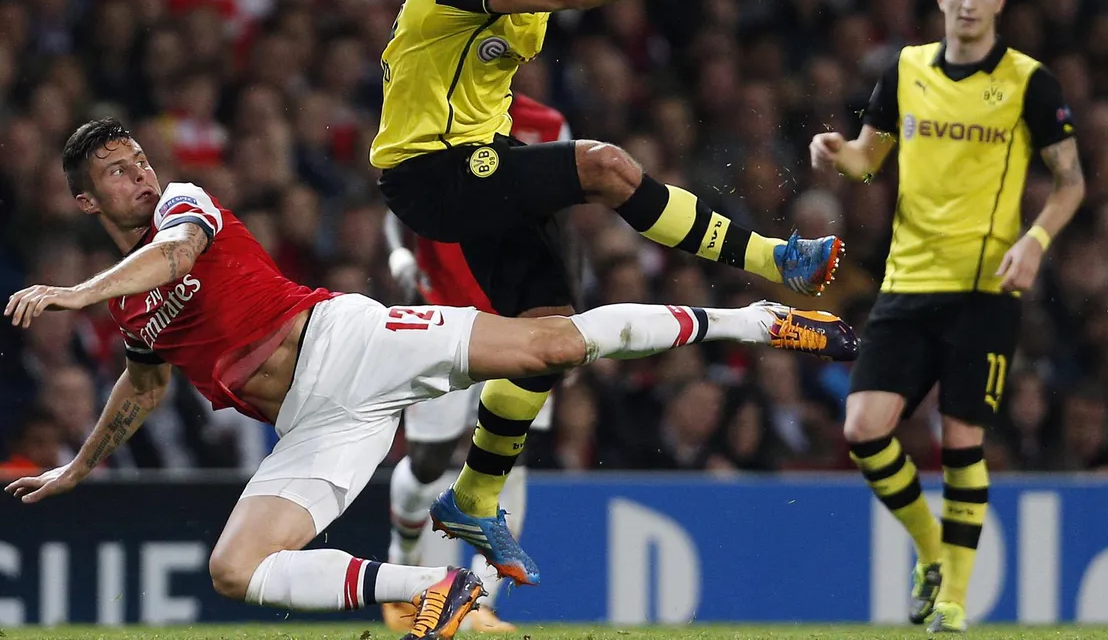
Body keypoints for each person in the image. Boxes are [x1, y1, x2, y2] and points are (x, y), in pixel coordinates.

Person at [5, 119, 857, 640]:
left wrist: (72, 293)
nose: (140, 174)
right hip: (315, 425)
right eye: (117, 172)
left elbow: (178, 253)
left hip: (347, 341)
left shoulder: (178, 208)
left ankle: (754, 320)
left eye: (138, 158)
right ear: (86, 202)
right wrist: (79, 468)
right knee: (236, 571)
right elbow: (143, 387)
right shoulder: (128, 309)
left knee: (548, 348)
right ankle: (434, 590)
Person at [373, 0, 844, 587]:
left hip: (476, 165)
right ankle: (776, 260)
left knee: (548, 340)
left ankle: (473, 499)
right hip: (429, 172)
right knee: (605, 166)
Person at [808, 0, 1085, 634]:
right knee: (863, 430)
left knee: (961, 439)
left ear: (999, 1)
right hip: (906, 283)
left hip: (983, 288)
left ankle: (954, 603)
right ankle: (931, 551)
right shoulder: (903, 70)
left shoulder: (1028, 82)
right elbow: (868, 162)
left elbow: (1071, 181)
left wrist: (1035, 241)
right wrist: (836, 154)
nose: (966, 2)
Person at [381, 93, 573, 633]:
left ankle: (478, 601)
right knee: (429, 459)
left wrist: (568, 317)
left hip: (520, 317)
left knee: (511, 449)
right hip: (444, 316)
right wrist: (399, 256)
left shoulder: (548, 122)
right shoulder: (437, 107)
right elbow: (395, 203)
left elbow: (560, 225)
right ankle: (404, 566)